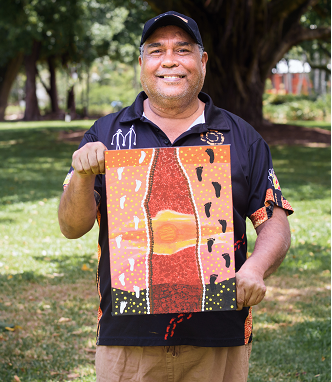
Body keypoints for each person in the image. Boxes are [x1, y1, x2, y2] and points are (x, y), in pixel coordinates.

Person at [58, 11, 293, 382]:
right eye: (156, 50)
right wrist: (83, 177)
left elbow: (274, 220)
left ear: (202, 61)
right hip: (127, 340)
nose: (169, 60)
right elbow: (72, 227)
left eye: (183, 50)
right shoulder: (107, 133)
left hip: (219, 338)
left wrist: (255, 268)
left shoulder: (242, 136)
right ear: (141, 63)